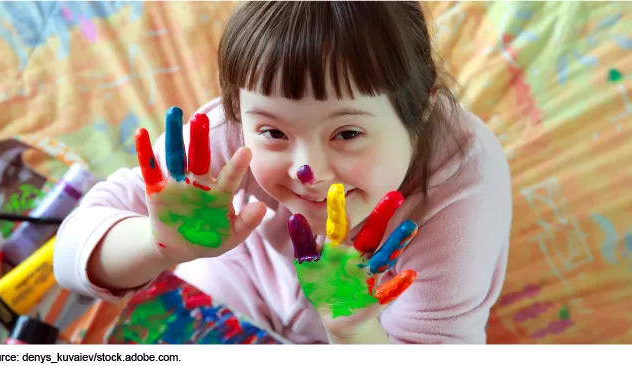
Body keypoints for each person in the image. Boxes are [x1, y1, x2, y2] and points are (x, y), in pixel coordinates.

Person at [54, 1, 512, 344]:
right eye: (273, 131)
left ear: (423, 107)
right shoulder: (227, 135)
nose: (306, 171)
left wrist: (352, 329)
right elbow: (69, 255)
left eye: (347, 133)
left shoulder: (462, 192)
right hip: (234, 285)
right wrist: (155, 244)